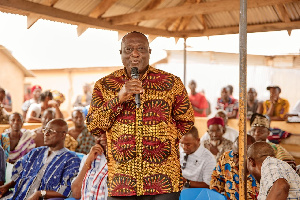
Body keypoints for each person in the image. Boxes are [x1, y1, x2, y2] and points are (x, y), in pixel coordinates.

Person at [86, 31, 194, 199]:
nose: (135, 54)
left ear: (149, 52)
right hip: (122, 181)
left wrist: (164, 138)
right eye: (128, 49)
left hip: (163, 179)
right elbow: (94, 126)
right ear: (121, 53)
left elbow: (186, 120)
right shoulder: (104, 85)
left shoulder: (171, 82)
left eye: (141, 48)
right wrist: (118, 99)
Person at [0, 119, 81, 200]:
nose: (46, 134)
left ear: (63, 135)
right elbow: (20, 173)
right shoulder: (36, 152)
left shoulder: (71, 159)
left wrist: (40, 193)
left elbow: (69, 190)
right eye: (45, 130)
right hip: (17, 196)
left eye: (50, 131)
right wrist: (7, 186)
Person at [210, 135, 258, 200]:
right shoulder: (226, 158)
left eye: (239, 156)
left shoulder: (260, 168)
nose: (235, 159)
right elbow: (216, 180)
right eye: (234, 154)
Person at [71, 133, 108, 199]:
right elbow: (76, 194)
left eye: (107, 134)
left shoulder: (122, 161)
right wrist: (88, 161)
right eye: (98, 135)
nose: (103, 138)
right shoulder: (89, 157)